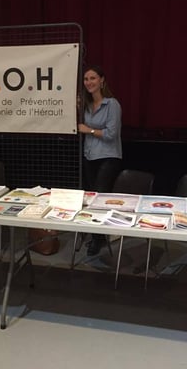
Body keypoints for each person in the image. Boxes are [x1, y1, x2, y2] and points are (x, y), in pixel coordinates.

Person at [78, 65, 123, 255]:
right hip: (89, 155)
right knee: (91, 198)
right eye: (86, 79)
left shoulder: (112, 104)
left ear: (102, 80)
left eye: (93, 78)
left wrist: (88, 130)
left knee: (99, 198)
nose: (89, 82)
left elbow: (111, 134)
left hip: (108, 157)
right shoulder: (86, 105)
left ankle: (97, 239)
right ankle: (99, 235)